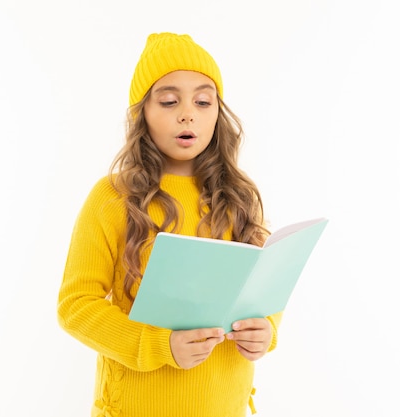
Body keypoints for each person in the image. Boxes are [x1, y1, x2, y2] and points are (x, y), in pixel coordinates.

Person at [57, 32, 283, 417]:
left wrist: (267, 331)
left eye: (202, 101)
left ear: (217, 112)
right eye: (168, 100)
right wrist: (159, 346)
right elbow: (76, 306)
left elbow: (262, 290)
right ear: (141, 113)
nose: (187, 113)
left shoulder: (240, 197)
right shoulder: (113, 197)